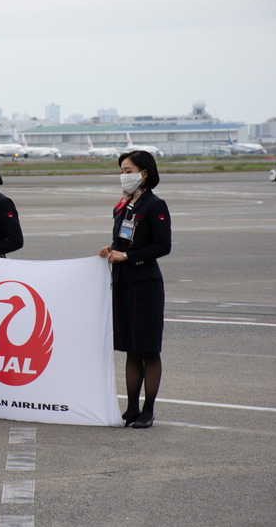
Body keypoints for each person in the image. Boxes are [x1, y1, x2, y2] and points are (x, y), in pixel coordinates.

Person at [98, 150, 171, 429]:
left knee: (148, 349)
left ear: (143, 173)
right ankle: (131, 408)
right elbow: (123, 240)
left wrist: (129, 256)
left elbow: (163, 246)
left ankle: (148, 410)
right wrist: (112, 249)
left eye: (127, 171)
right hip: (124, 282)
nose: (122, 176)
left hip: (146, 283)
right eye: (122, 171)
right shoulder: (124, 205)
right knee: (130, 349)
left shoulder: (155, 205)